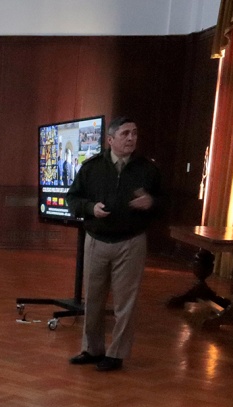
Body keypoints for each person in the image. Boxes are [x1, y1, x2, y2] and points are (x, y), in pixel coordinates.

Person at [66, 116, 163, 372]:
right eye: (125, 134)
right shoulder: (92, 167)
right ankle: (92, 349)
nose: (131, 138)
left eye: (134, 133)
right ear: (110, 139)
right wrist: (90, 208)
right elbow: (72, 199)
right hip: (96, 241)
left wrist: (151, 202)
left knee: (125, 303)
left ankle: (117, 353)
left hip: (131, 242)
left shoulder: (147, 169)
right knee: (93, 299)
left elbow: (165, 203)